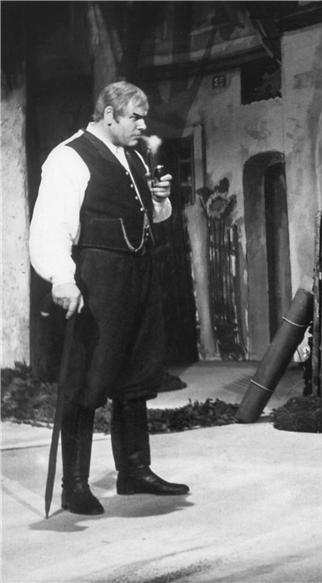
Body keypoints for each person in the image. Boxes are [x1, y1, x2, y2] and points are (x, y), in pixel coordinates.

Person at [29, 81, 189, 515]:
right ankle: (74, 486)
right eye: (134, 117)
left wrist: (159, 201)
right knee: (86, 376)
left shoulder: (133, 156)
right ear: (108, 115)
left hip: (138, 274)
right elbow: (50, 224)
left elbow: (148, 217)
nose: (142, 125)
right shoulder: (69, 157)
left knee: (136, 372)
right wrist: (61, 278)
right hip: (97, 279)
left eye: (143, 117)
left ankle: (134, 470)